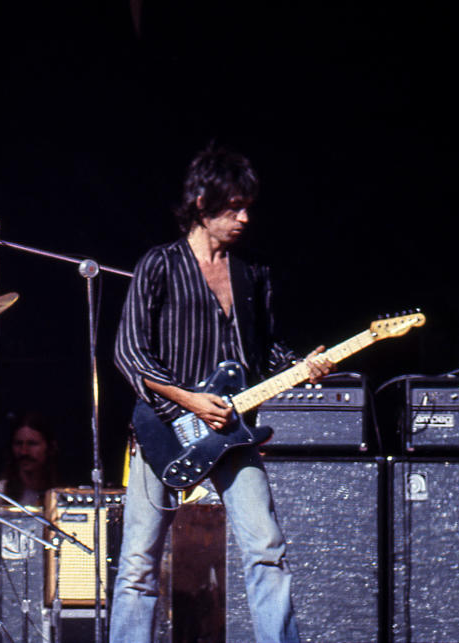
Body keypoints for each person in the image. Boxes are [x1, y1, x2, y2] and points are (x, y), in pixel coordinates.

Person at [109, 144, 331, 643]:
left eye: (248, 206)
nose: (244, 217)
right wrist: (187, 400)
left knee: (267, 549)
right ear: (203, 202)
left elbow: (265, 351)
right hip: (164, 429)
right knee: (139, 563)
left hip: (233, 429)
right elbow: (129, 353)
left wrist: (303, 367)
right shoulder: (159, 264)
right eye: (234, 207)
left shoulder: (254, 274)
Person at [0, 412, 58, 507]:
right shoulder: (0, 492)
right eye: (18, 443)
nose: (24, 452)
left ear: (50, 447)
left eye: (32, 444)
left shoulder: (63, 492)